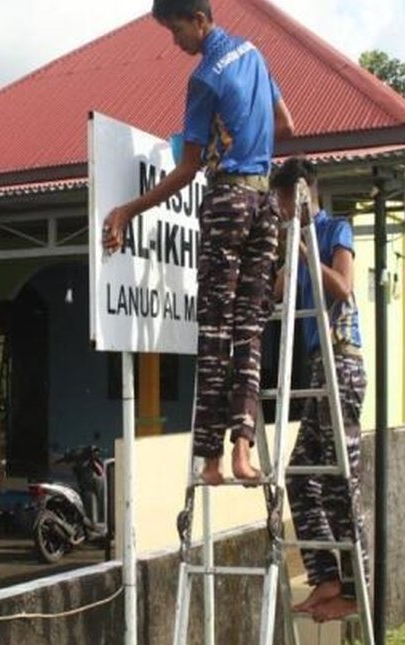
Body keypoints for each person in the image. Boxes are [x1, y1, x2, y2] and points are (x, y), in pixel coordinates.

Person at [102, 0, 294, 485]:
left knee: (214, 332)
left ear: (200, 20)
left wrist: (127, 209)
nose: (175, 41)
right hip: (265, 204)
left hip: (228, 200)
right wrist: (240, 138)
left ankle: (209, 462)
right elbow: (286, 125)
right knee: (249, 331)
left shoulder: (205, 78)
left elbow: (186, 169)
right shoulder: (255, 54)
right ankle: (242, 453)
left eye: (176, 29)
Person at [270, 157, 367, 622]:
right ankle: (326, 577)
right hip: (315, 369)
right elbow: (277, 292)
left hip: (342, 364)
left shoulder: (335, 231)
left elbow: (343, 288)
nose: (283, 210)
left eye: (286, 201)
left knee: (339, 479)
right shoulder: (294, 241)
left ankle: (358, 587)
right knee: (299, 475)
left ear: (305, 195)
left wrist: (308, 251)